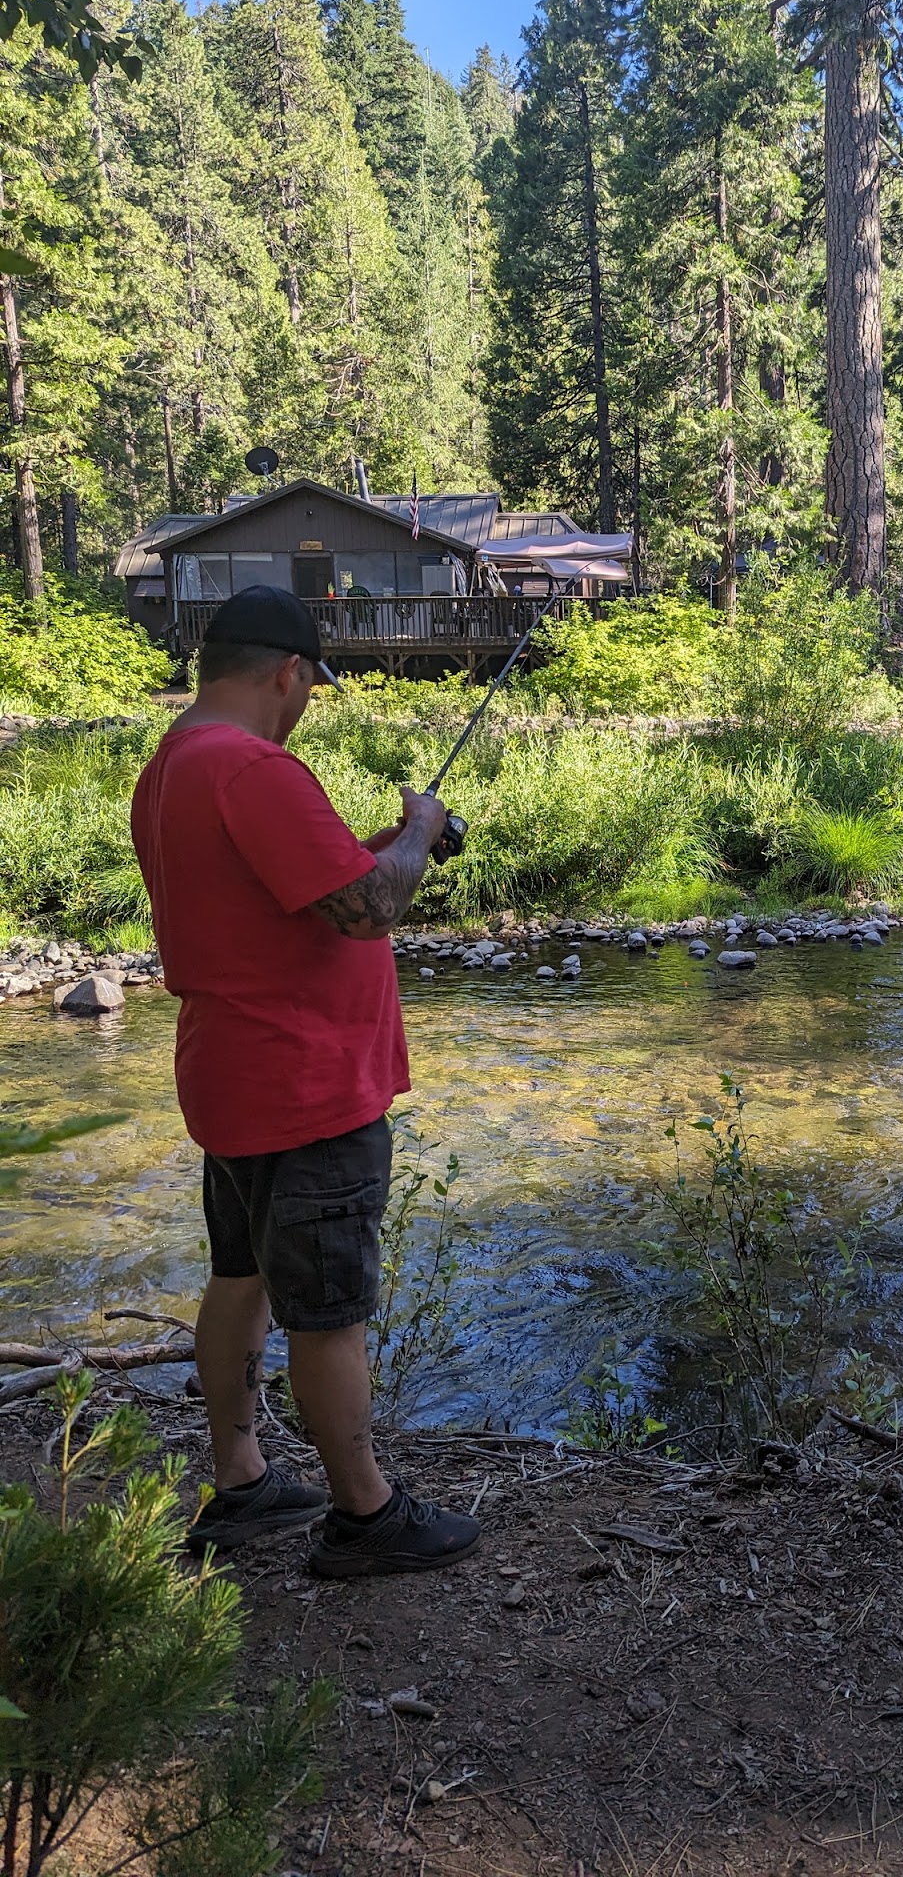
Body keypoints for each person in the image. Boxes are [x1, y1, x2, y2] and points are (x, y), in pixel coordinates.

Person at [130, 585, 480, 1578]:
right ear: (286, 672)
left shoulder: (176, 763)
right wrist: (419, 832)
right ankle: (364, 1514)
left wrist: (386, 842)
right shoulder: (252, 766)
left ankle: (240, 1482)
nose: (306, 702)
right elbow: (369, 910)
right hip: (306, 1088)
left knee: (240, 1275)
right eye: (309, 686)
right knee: (328, 1303)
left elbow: (305, 889)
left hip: (234, 1076)